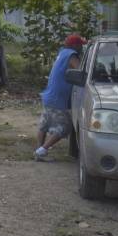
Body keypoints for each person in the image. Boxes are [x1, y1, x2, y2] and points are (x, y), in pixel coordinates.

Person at [34, 33, 86, 161]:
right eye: (80, 45)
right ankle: (41, 151)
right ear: (75, 45)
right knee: (65, 127)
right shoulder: (72, 55)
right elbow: (81, 72)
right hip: (58, 98)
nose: (81, 48)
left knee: (44, 125)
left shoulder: (62, 52)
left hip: (50, 94)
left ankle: (39, 151)